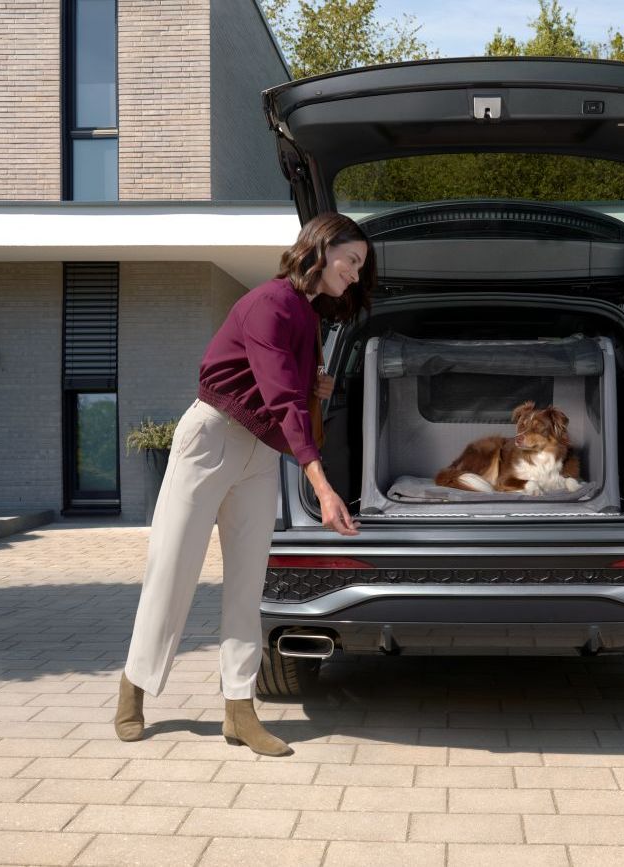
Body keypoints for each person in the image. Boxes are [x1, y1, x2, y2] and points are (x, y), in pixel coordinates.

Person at [115, 212, 375, 756]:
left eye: (359, 267)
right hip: (210, 438)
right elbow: (280, 400)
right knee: (173, 569)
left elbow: (286, 393)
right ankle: (134, 687)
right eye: (351, 260)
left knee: (247, 583)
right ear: (321, 250)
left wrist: (317, 385)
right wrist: (323, 488)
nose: (355, 273)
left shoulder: (308, 316)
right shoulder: (271, 302)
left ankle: (239, 710)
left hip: (260, 451)